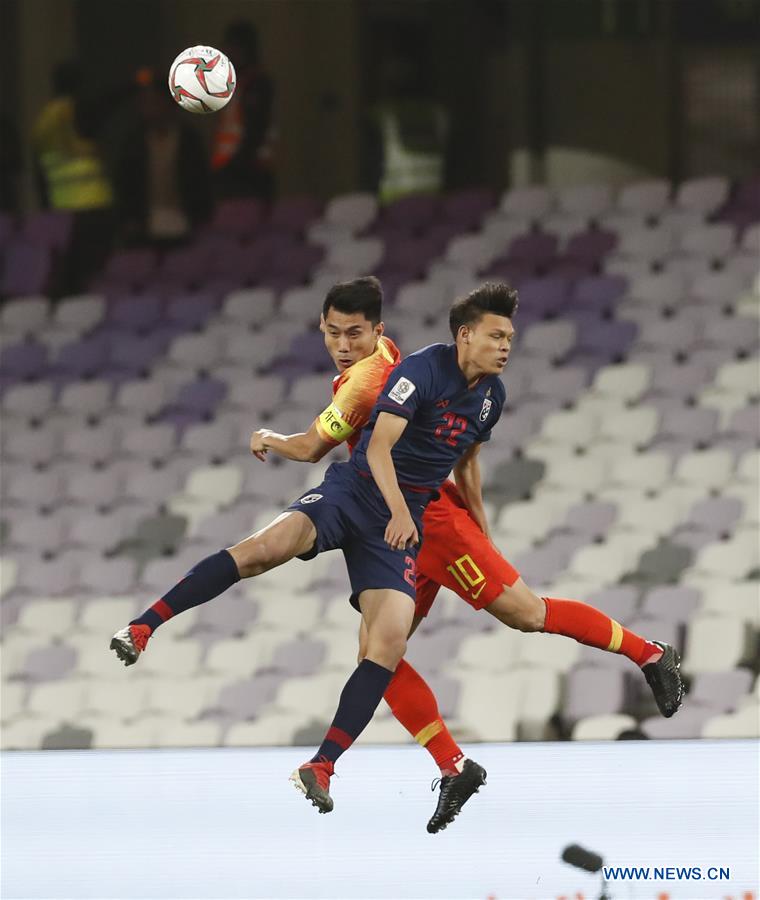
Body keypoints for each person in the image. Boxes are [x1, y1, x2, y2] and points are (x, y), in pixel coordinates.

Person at [247, 277, 684, 829]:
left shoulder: (469, 392)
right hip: (396, 527)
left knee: (527, 614)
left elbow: (464, 461)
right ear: (465, 335)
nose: (505, 346)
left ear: (375, 333)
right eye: (496, 336)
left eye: (509, 338)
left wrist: (480, 531)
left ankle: (650, 654)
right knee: (378, 657)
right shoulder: (388, 375)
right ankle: (453, 766)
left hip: (433, 523)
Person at [32, 61, 115, 291]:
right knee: (93, 276)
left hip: (59, 207)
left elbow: (39, 170)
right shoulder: (79, 111)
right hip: (92, 206)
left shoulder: (43, 121)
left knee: (68, 276)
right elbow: (109, 104)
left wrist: (46, 207)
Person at [113, 70, 213, 248]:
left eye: (154, 102)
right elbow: (126, 182)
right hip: (146, 223)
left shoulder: (188, 140)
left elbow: (200, 180)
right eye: (145, 102)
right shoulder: (134, 142)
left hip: (183, 221)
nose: (149, 108)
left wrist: (200, 216)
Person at [212, 20, 276, 202]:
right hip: (226, 169)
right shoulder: (231, 84)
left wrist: (236, 163)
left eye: (234, 47)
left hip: (250, 171)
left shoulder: (257, 85)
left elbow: (256, 129)